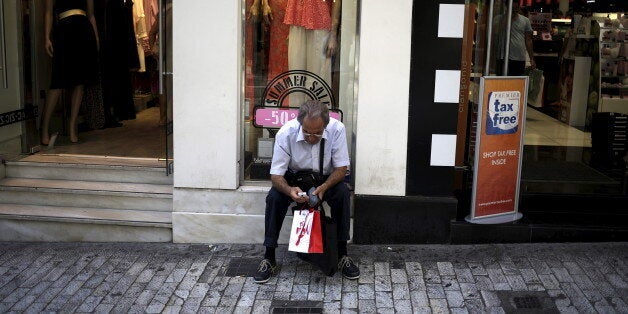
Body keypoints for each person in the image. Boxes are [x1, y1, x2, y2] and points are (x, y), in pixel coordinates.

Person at [254, 100, 359, 283]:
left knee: (342, 193)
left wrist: (324, 188)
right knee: (274, 198)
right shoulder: (286, 133)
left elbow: (341, 168)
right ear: (300, 123)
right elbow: (276, 175)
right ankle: (269, 256)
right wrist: (289, 190)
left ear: (325, 125)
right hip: (295, 179)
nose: (311, 137)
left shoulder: (337, 129)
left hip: (325, 179)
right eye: (307, 132)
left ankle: (342, 254)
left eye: (317, 133)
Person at [41, 0, 99, 145]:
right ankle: (44, 128)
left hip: (84, 31)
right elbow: (48, 12)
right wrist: (47, 37)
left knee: (80, 82)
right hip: (64, 31)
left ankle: (72, 125)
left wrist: (96, 38)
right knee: (58, 81)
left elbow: (91, 15)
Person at [495, 2, 535, 76]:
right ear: (506, 7)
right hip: (502, 57)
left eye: (516, 9)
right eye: (512, 9)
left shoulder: (525, 20)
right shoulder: (499, 18)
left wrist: (531, 58)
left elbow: (528, 40)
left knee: (517, 83)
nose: (514, 11)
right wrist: (508, 17)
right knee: (501, 83)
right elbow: (496, 32)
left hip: (519, 58)